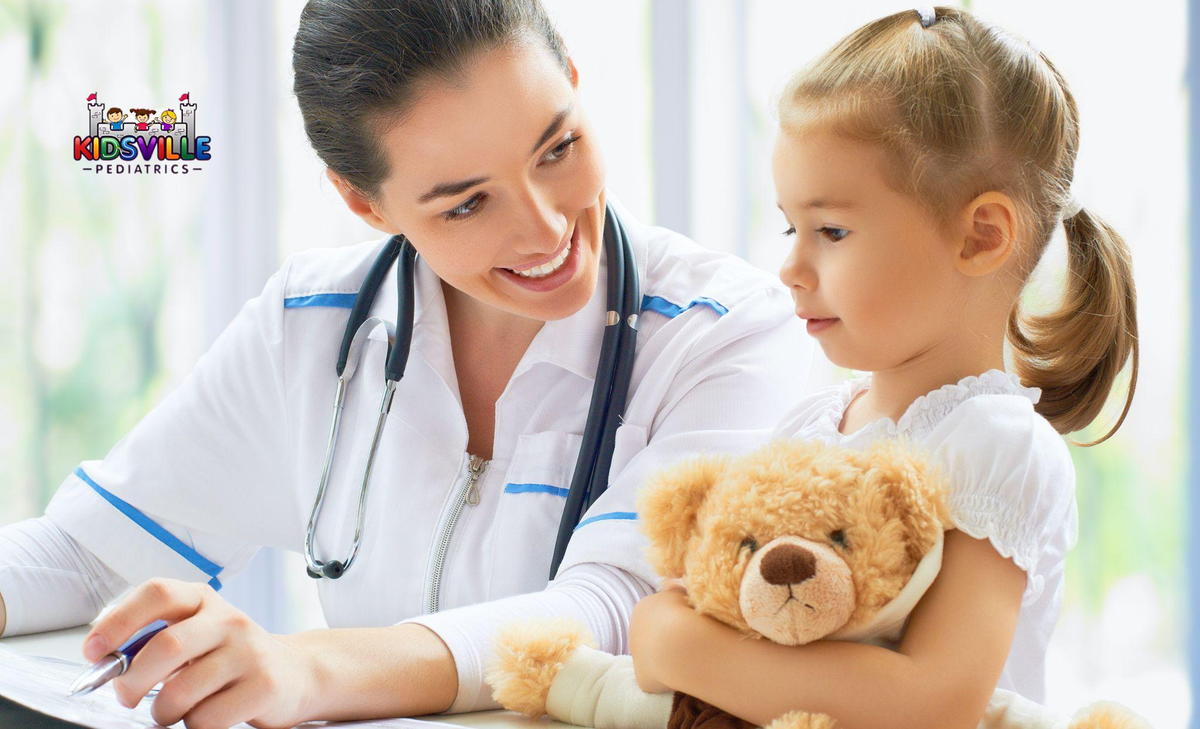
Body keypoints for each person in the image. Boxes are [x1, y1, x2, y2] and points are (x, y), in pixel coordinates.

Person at [0, 1, 812, 727]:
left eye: (557, 147)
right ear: (365, 202)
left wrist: (307, 666)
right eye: (466, 202)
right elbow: (89, 551)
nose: (545, 227)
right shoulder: (310, 328)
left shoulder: (730, 335)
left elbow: (614, 609)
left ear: (570, 74)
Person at [628, 6, 1138, 728]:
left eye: (831, 230)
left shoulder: (996, 446)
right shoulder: (812, 423)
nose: (792, 267)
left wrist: (677, 645)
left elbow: (933, 701)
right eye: (790, 226)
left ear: (981, 236)